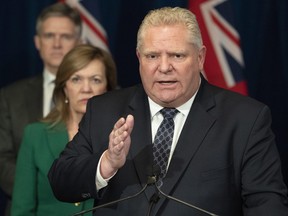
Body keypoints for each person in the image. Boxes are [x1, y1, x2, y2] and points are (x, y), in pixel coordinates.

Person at [48, 7, 288, 216]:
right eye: (153, 56)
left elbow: (267, 204)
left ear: (200, 58)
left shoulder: (245, 119)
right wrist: (106, 164)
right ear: (139, 58)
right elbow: (60, 182)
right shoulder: (104, 110)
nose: (164, 67)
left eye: (177, 55)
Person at [11, 44, 117, 216]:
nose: (86, 88)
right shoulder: (35, 134)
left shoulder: (120, 138)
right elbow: (22, 209)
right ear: (64, 88)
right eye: (76, 79)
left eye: (95, 80)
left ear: (108, 88)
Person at [0, 2, 82, 215]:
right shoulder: (10, 97)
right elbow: (2, 158)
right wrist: (39, 187)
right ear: (37, 41)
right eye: (49, 36)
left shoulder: (102, 96)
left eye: (65, 36)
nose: (56, 44)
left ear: (79, 42)